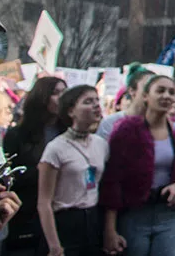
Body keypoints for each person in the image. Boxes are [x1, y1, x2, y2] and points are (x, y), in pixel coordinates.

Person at [101, 75, 175, 256]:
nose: (166, 96)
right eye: (160, 91)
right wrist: (109, 230)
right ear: (145, 96)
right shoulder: (126, 131)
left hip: (171, 215)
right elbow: (112, 181)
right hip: (135, 214)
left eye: (171, 92)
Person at [36, 85, 107, 256]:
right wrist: (54, 245)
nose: (96, 105)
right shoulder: (56, 148)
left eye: (97, 100)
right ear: (71, 111)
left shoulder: (101, 143)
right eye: (88, 102)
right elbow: (44, 202)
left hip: (93, 220)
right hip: (66, 223)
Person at [4, 75, 67, 253]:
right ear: (42, 97)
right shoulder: (18, 135)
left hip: (61, 215)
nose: (61, 97)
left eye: (64, 92)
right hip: (28, 216)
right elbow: (10, 178)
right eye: (56, 93)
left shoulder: (67, 133)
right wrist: (45, 171)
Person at [97, 65, 153, 139]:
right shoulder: (110, 123)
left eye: (158, 89)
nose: (153, 92)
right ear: (132, 91)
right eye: (148, 87)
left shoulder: (164, 126)